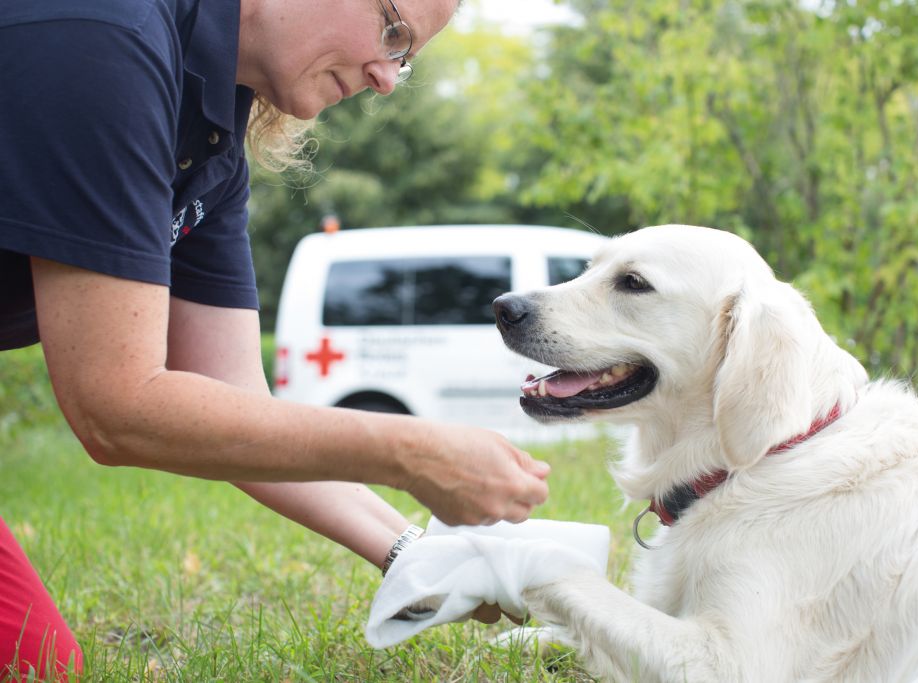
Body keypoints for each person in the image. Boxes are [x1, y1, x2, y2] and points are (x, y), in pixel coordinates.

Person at [0, 0, 551, 678]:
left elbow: (230, 396)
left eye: (404, 59)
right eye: (392, 30)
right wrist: (413, 452)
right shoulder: (106, 38)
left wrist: (423, 554)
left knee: (37, 663)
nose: (386, 78)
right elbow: (115, 405)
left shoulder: (211, 135)